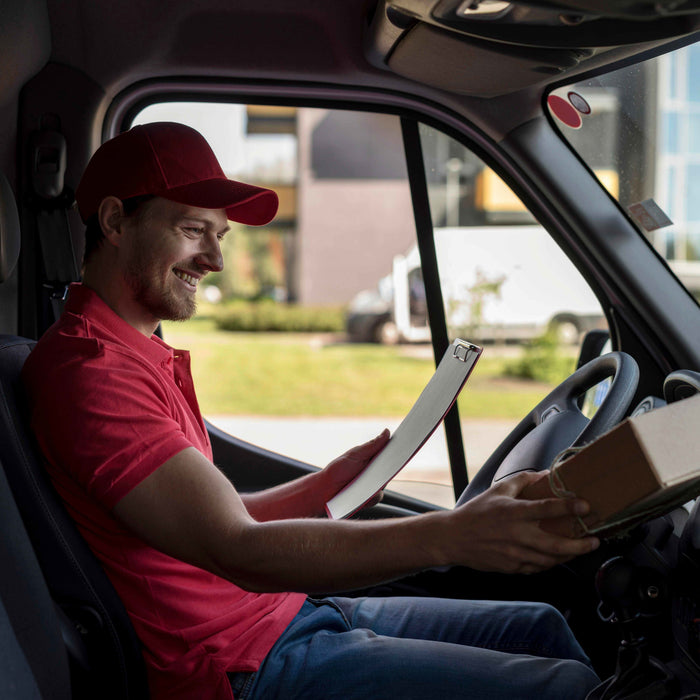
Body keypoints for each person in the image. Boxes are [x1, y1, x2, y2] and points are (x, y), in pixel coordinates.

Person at [22, 121, 601, 700]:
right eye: (194, 230)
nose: (216, 260)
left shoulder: (132, 351)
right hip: (236, 664)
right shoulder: (92, 374)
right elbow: (237, 549)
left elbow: (218, 518)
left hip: (281, 614)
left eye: (221, 236)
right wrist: (455, 535)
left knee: (540, 626)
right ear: (116, 221)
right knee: (566, 686)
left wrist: (328, 485)